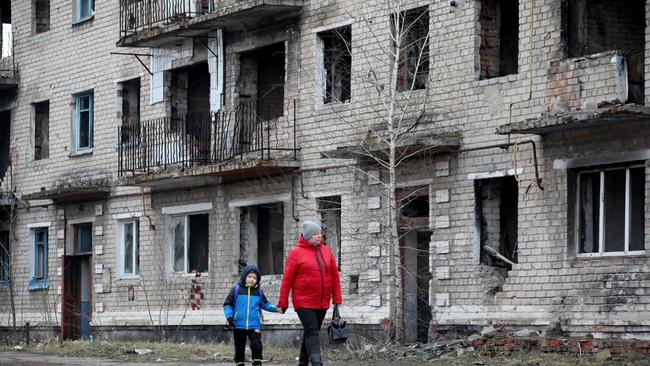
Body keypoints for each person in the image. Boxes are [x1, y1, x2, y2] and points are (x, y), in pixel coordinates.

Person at [278, 220, 342, 366]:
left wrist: (337, 298)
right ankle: (317, 362)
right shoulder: (296, 253)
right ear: (307, 236)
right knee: (312, 330)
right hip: (303, 301)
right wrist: (282, 303)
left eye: (320, 232)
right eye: (316, 233)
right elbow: (287, 279)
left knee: (310, 332)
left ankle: (302, 362)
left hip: (322, 302)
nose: (320, 235)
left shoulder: (326, 250)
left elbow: (334, 275)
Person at [224, 265, 280, 366]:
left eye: (254, 278)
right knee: (239, 348)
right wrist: (229, 317)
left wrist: (277, 309)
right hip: (238, 324)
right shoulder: (236, 289)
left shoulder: (258, 292)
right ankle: (239, 363)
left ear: (257, 280)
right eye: (249, 276)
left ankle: (257, 363)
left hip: (254, 324)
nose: (252, 279)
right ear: (244, 276)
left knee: (257, 346)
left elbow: (265, 304)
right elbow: (227, 304)